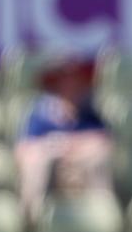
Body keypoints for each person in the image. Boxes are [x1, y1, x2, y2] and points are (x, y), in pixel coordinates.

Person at [14, 53, 113, 222]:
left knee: (98, 157)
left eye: (75, 79)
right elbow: (24, 149)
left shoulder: (89, 114)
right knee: (36, 162)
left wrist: (72, 146)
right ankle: (32, 221)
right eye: (65, 79)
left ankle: (103, 221)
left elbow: (103, 141)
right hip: (51, 174)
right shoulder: (39, 114)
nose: (71, 85)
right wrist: (55, 146)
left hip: (81, 171)